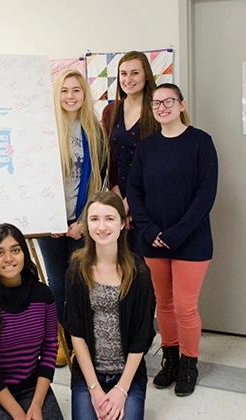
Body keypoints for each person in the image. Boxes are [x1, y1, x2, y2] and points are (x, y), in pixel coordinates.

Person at [127, 83, 218, 397]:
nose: (162, 107)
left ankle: (189, 365)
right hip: (153, 240)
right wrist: (150, 230)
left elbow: (206, 195)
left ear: (181, 104)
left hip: (191, 241)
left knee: (184, 307)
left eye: (169, 101)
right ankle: (171, 360)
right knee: (163, 305)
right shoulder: (147, 147)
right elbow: (134, 192)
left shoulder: (200, 143)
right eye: (156, 103)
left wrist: (177, 233)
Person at [38, 69, 109, 366]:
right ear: (57, 94)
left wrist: (82, 222)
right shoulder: (44, 129)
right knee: (56, 283)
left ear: (84, 94)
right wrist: (51, 219)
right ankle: (60, 342)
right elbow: (37, 179)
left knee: (80, 283)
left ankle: (82, 341)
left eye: (76, 90)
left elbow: (101, 181)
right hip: (49, 223)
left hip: (81, 222)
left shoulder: (94, 129)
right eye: (65, 90)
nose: (70, 96)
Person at [65, 191, 155, 420]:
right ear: (86, 224)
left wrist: (121, 390)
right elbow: (76, 334)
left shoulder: (139, 273)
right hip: (89, 376)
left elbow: (142, 337)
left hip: (127, 377)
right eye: (94, 219)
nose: (102, 227)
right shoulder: (76, 270)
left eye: (110, 218)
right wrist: (94, 389)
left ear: (123, 223)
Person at [0, 223, 64, 420]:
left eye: (15, 250)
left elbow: (50, 348)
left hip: (31, 386)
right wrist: (18, 414)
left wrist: (36, 403)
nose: (8, 258)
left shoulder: (43, 294)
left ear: (24, 253)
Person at [101, 51, 160, 254]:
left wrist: (132, 203)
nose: (128, 79)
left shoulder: (157, 110)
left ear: (146, 75)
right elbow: (110, 158)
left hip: (149, 199)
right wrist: (119, 202)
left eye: (134, 73)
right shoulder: (110, 112)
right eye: (123, 74)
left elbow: (158, 162)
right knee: (124, 271)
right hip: (119, 198)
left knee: (148, 272)